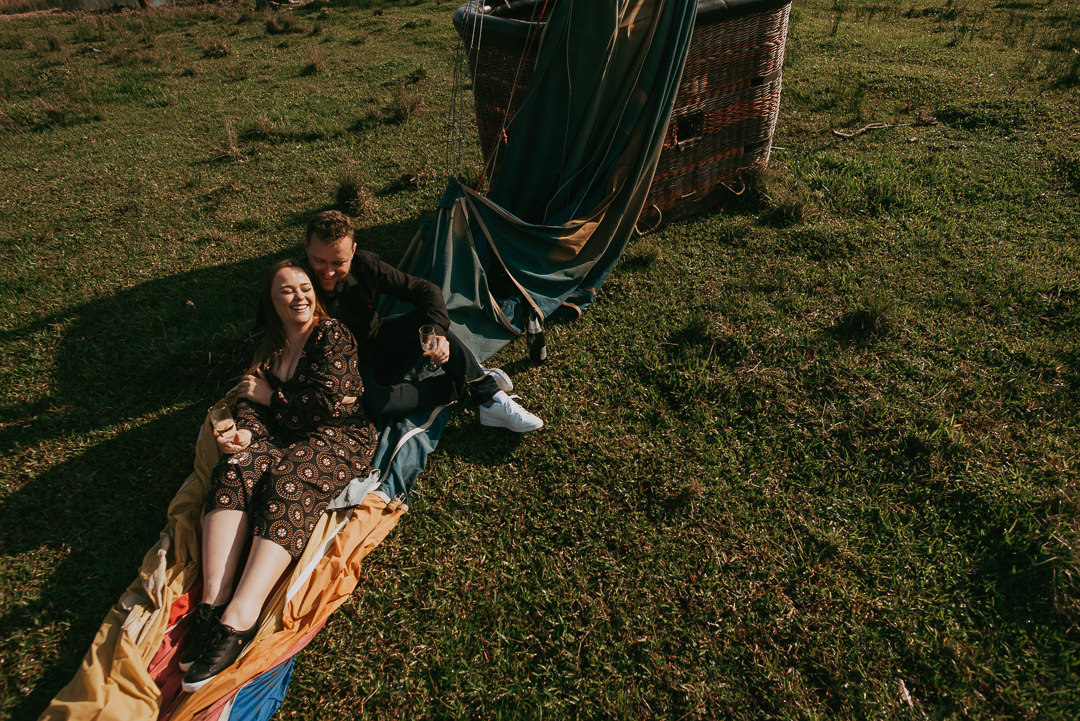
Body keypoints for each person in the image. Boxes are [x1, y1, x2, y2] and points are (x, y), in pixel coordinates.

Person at [179, 260, 378, 693]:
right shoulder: (268, 345)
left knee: (289, 476)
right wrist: (247, 431)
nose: (300, 296)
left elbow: (326, 405)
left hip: (339, 435)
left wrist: (271, 396)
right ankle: (213, 604)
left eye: (305, 287)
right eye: (286, 290)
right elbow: (250, 402)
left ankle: (240, 616)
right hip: (282, 431)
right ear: (272, 302)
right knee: (236, 468)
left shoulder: (332, 335)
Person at [303, 210, 543, 432]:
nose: (328, 271)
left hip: (375, 338)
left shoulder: (366, 264)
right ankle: (463, 379)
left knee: (427, 325)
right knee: (375, 406)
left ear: (353, 251)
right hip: (340, 364)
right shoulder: (293, 282)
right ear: (306, 247)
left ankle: (491, 399)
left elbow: (425, 291)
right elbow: (270, 331)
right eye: (320, 261)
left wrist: (438, 334)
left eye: (338, 262)